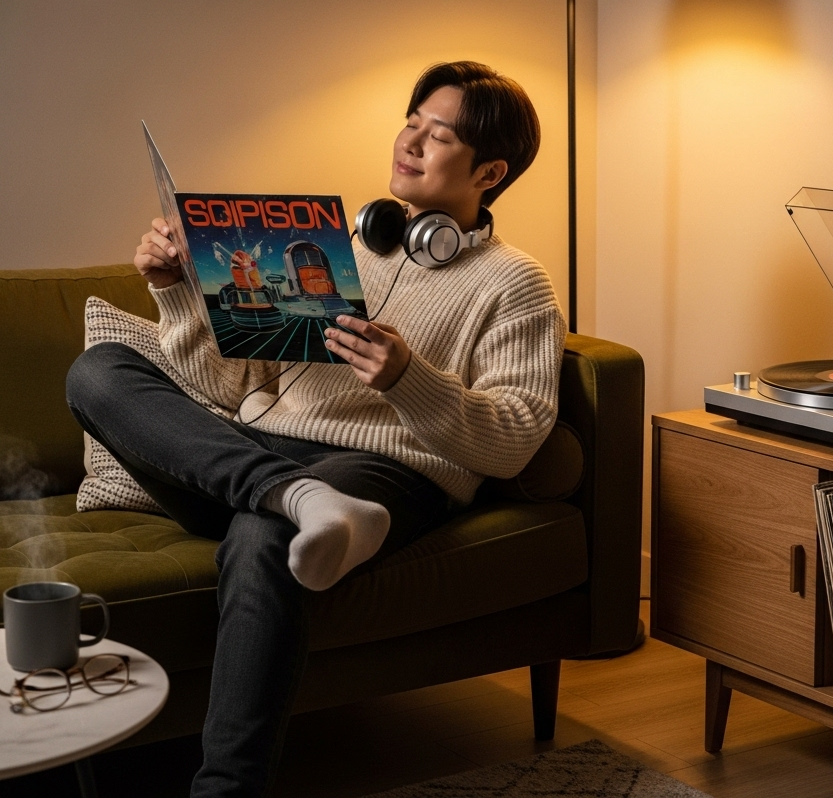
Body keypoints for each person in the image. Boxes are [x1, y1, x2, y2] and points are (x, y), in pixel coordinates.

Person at [65, 61, 566, 798]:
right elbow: (230, 389)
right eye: (412, 121)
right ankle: (291, 496)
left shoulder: (516, 283)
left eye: (441, 134)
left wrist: (407, 379)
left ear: (490, 170)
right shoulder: (342, 248)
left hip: (384, 472)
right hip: (254, 454)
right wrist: (176, 294)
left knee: (264, 536)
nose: (413, 141)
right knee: (97, 371)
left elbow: (517, 436)